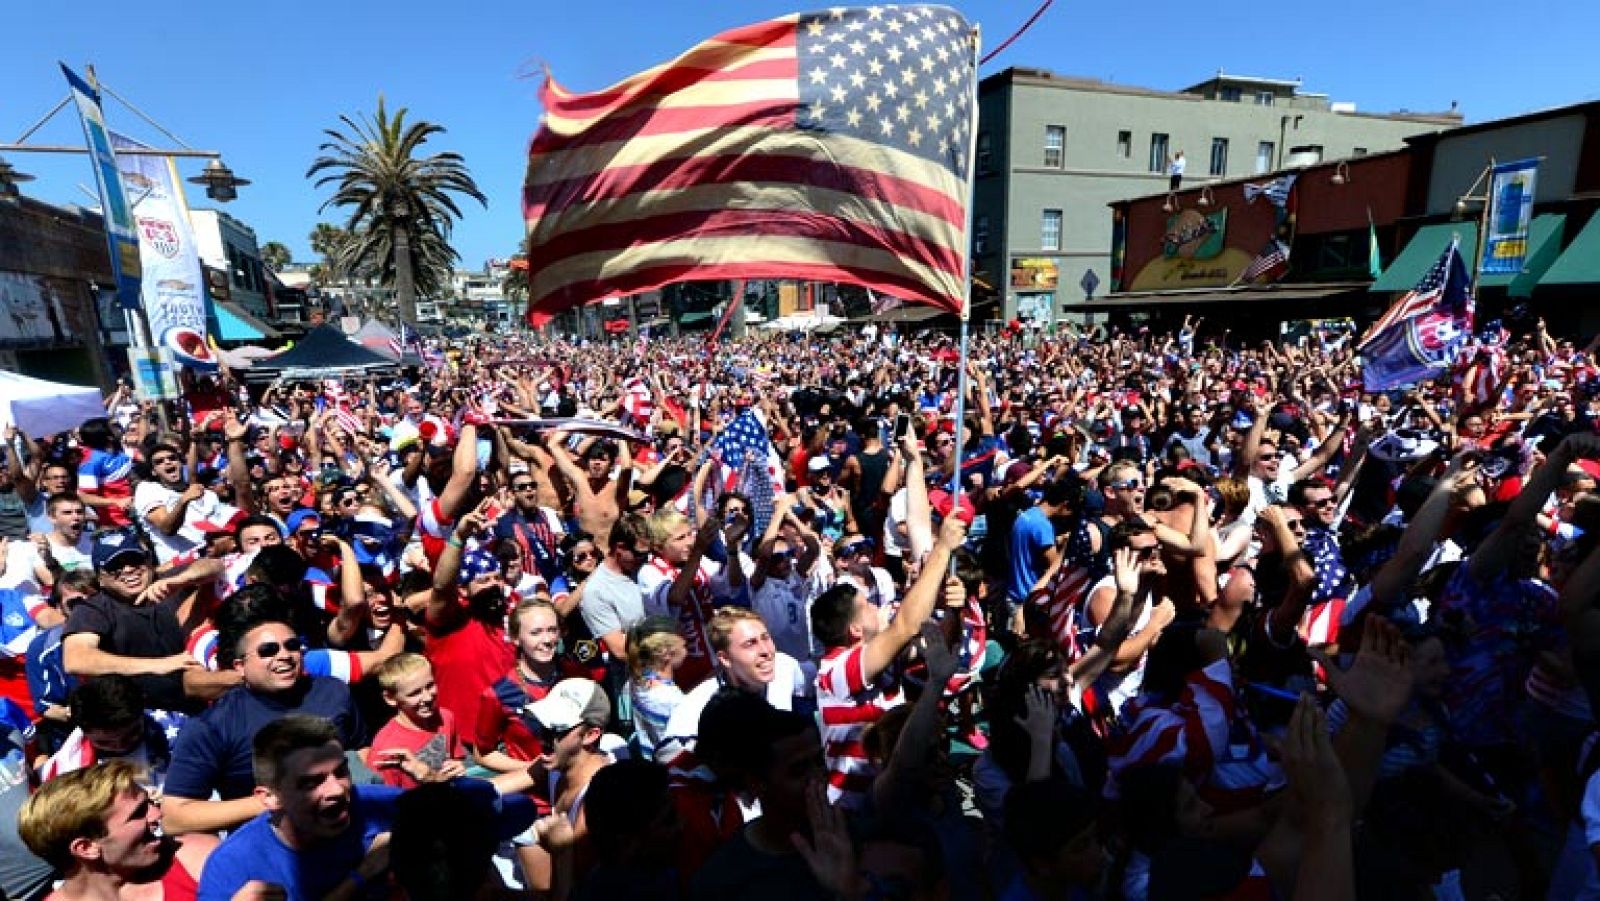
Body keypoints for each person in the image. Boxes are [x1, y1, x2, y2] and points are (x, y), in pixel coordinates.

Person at [161, 609, 364, 835]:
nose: (284, 655)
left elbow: (361, 750)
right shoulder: (213, 725)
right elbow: (174, 817)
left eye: (292, 645)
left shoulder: (334, 691)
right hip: (272, 847)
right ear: (240, 667)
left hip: (349, 831)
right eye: (268, 650)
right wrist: (276, 800)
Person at [811, 512, 966, 808]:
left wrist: (953, 612)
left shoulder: (881, 660)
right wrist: (942, 549)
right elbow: (904, 626)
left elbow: (939, 648)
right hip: (857, 813)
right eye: (866, 605)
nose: (875, 605)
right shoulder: (835, 671)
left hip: (898, 797)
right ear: (854, 630)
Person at [195, 716, 398, 901]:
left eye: (341, 771)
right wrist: (361, 876)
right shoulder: (233, 868)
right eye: (312, 782)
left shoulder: (386, 806)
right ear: (270, 798)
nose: (336, 790)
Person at [18, 760, 218, 901]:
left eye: (149, 803)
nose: (157, 814)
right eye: (139, 813)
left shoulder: (200, 858)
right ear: (86, 848)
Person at [368, 653, 467, 790]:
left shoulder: (445, 717)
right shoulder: (386, 749)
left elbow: (457, 759)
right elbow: (384, 801)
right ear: (390, 698)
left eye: (430, 685)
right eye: (414, 693)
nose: (427, 697)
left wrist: (458, 767)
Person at [576, 513, 650, 660]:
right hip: (638, 674)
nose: (644, 558)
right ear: (620, 548)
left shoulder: (645, 568)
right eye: (639, 554)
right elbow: (620, 650)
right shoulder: (596, 591)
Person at [625, 617, 687, 755]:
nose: (686, 650)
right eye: (684, 646)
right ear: (665, 653)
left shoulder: (636, 681)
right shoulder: (669, 698)